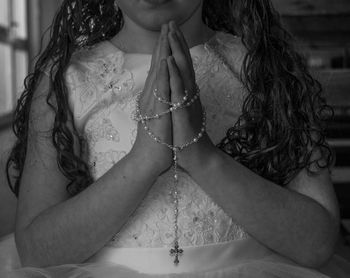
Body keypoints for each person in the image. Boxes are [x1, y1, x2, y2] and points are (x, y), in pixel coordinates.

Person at [0, 0, 349, 277]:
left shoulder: (265, 71)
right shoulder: (66, 82)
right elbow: (36, 251)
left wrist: (201, 155)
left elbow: (316, 242)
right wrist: (144, 160)